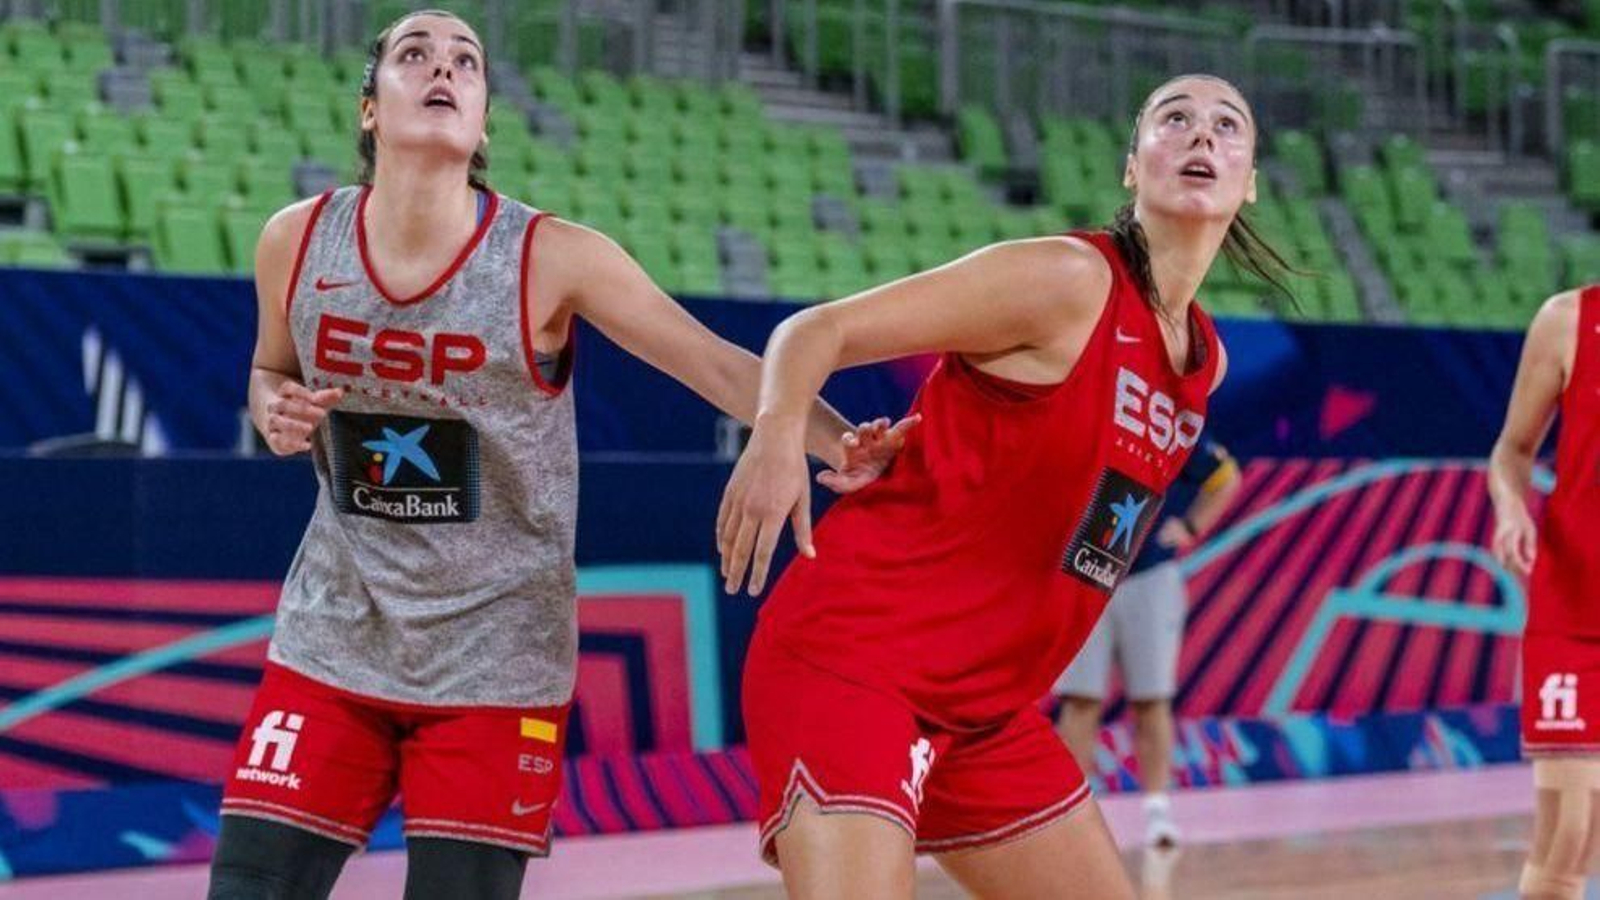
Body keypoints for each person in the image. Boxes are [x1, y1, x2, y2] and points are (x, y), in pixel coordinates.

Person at [207, 10, 909, 899]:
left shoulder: (551, 256)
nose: (444, 69)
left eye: (467, 60)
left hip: (497, 655)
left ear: (484, 117)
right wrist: (274, 408)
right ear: (370, 110)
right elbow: (269, 370)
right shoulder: (297, 239)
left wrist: (839, 441)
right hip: (334, 635)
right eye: (415, 55)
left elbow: (719, 365)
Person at [719, 74, 1293, 899]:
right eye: (1175, 119)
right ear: (1133, 166)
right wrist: (776, 435)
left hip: (985, 710)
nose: (1202, 135)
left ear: (1250, 182)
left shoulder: (1206, 360)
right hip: (858, 659)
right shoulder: (1067, 280)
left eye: (1227, 126)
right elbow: (816, 329)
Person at [1055, 438, 1240, 849]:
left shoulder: (1165, 425)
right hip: (1085, 575)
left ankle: (1158, 809)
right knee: (1079, 699)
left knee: (1152, 699)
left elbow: (1226, 478)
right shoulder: (1083, 415)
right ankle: (1066, 816)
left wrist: (1192, 526)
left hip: (1150, 578)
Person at [1488, 285, 1599, 900]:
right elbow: (1513, 450)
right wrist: (1512, 511)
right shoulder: (1569, 320)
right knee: (1568, 833)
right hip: (1575, 608)